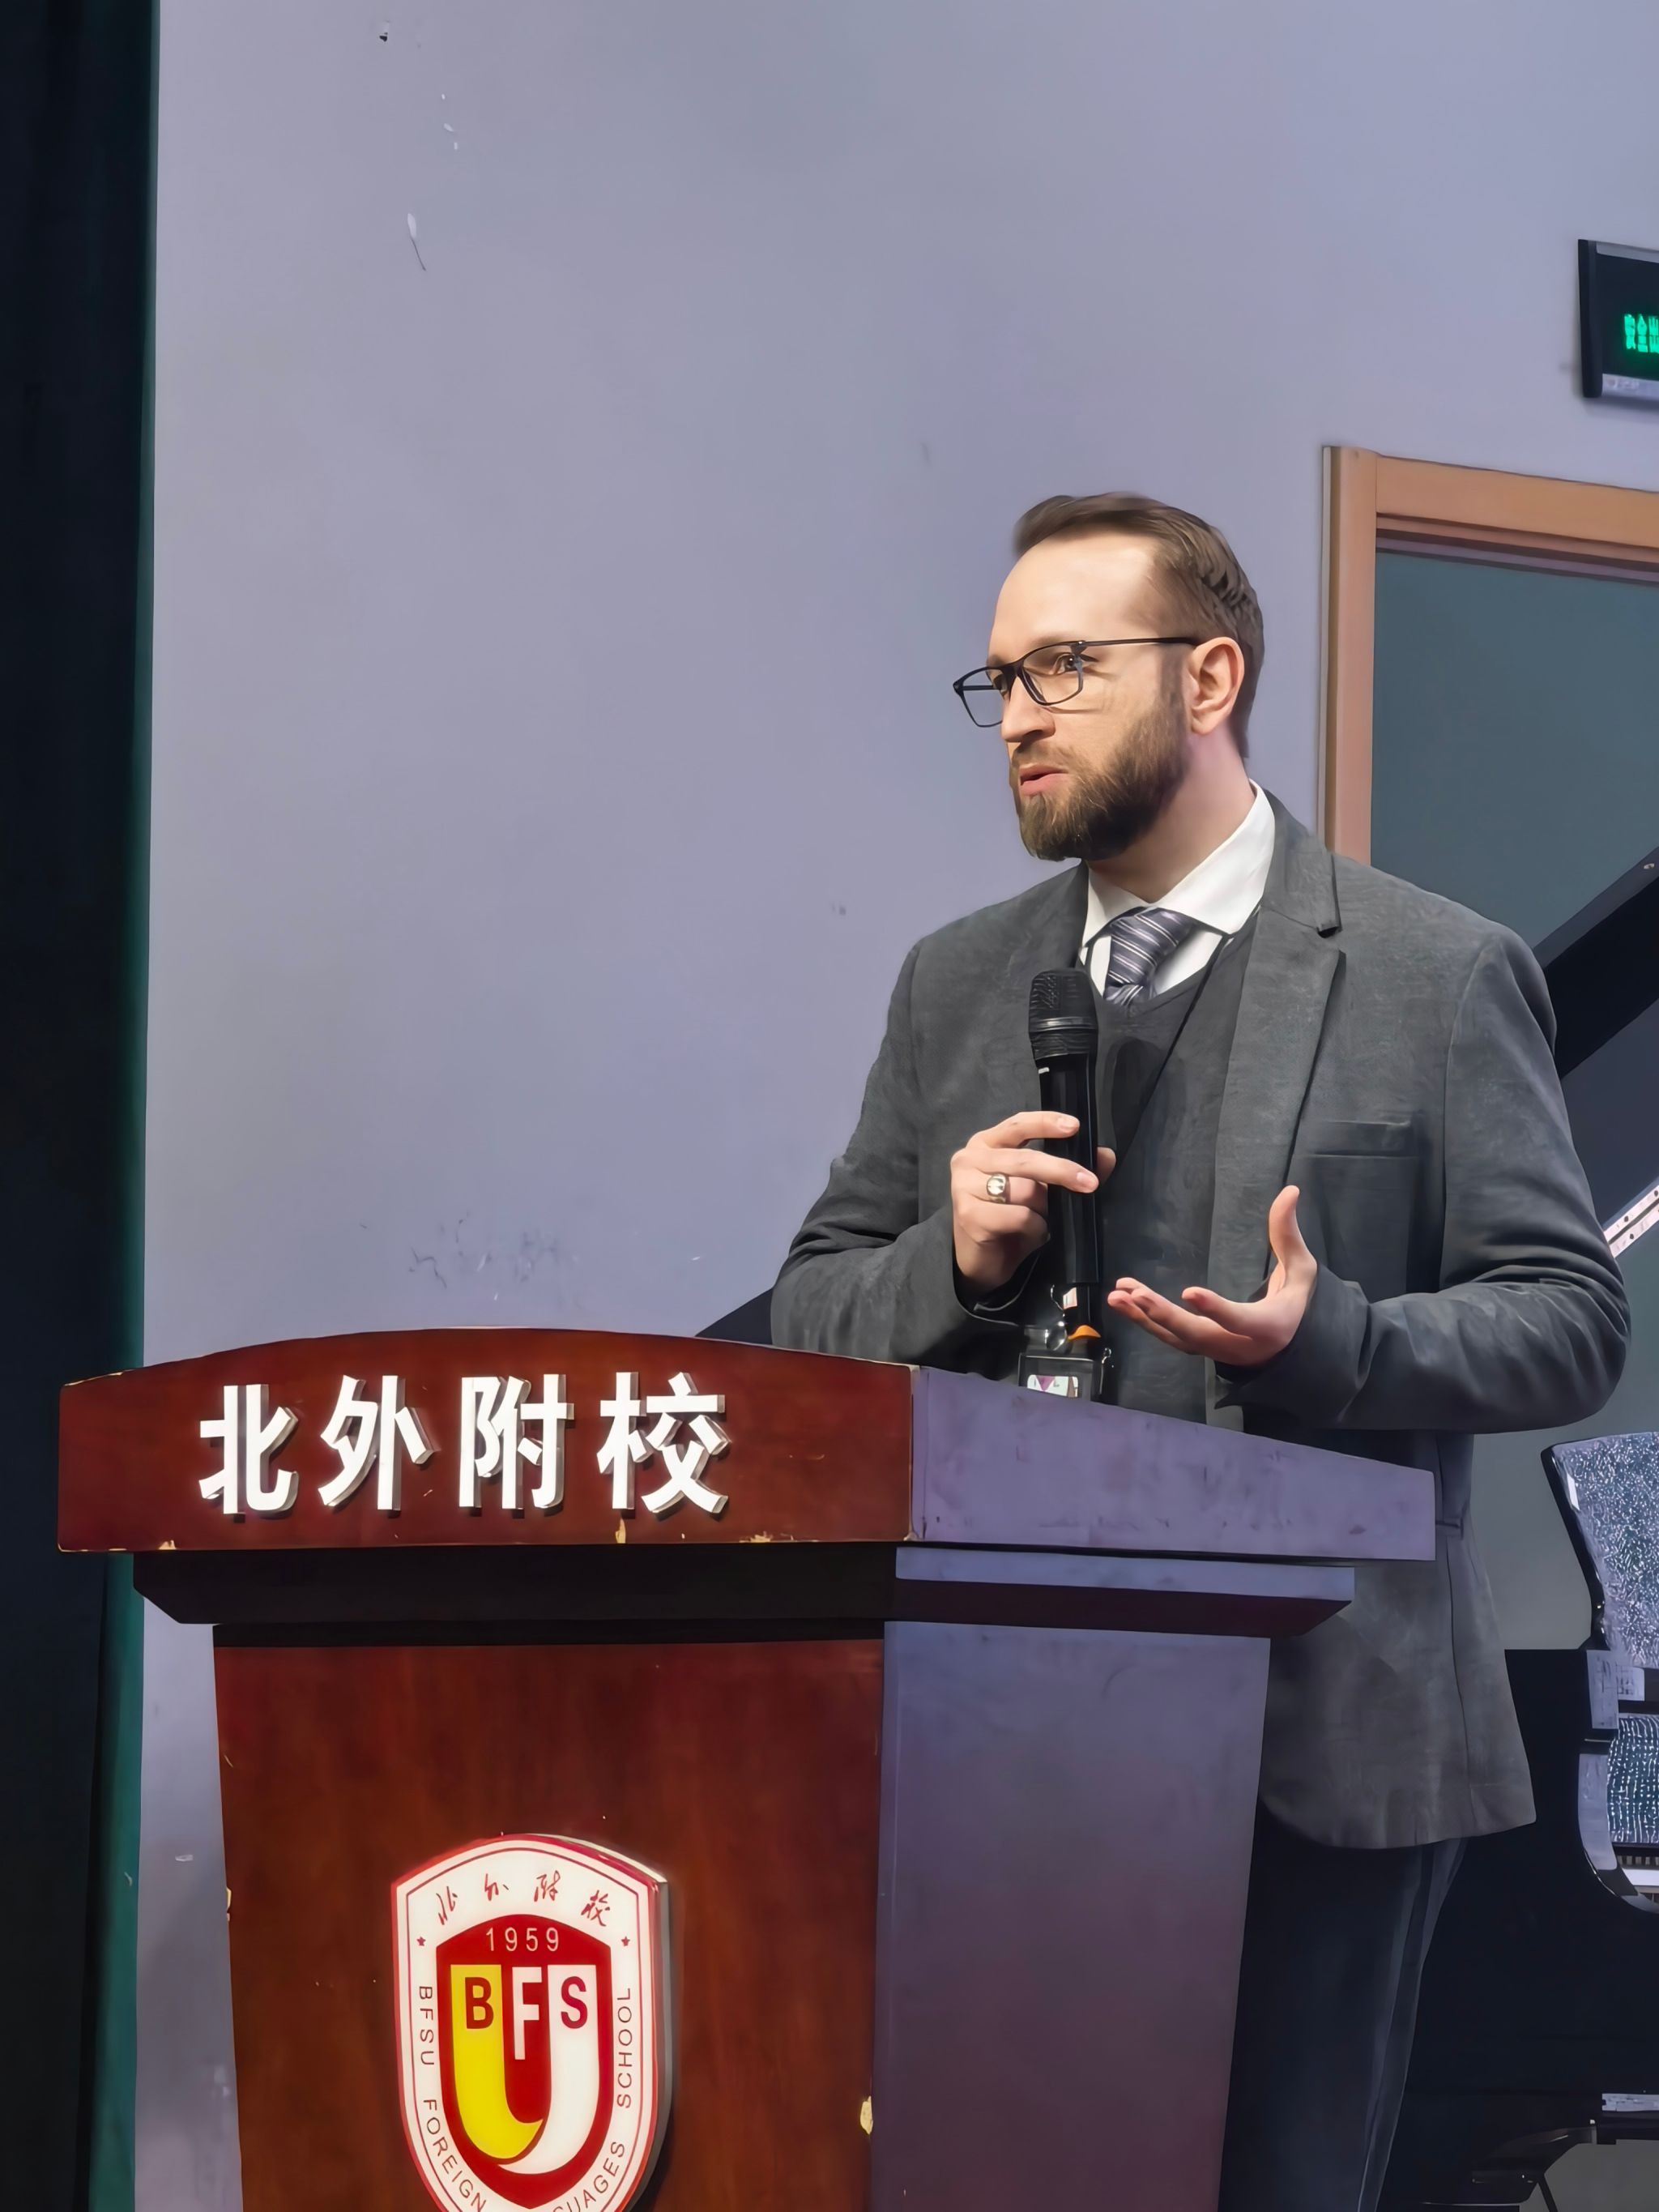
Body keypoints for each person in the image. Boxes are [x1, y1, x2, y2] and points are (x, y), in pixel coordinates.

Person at [770, 492, 1629, 2212]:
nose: (1017, 716)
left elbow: (1568, 1316)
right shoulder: (956, 984)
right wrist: (954, 1261)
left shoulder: (1430, 971)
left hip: (1327, 1749)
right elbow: (812, 1311)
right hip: (997, 1746)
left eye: (1065, 669)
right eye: (999, 679)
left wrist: (1339, 1340)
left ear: (1210, 677)